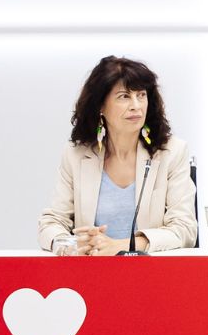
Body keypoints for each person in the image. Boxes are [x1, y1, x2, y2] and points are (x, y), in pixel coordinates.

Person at [37, 56, 197, 255]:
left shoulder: (171, 152)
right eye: (124, 96)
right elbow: (51, 223)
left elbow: (184, 229)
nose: (136, 106)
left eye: (141, 95)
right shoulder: (76, 155)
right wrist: (69, 244)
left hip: (154, 276)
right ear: (100, 106)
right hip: (91, 275)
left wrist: (120, 246)